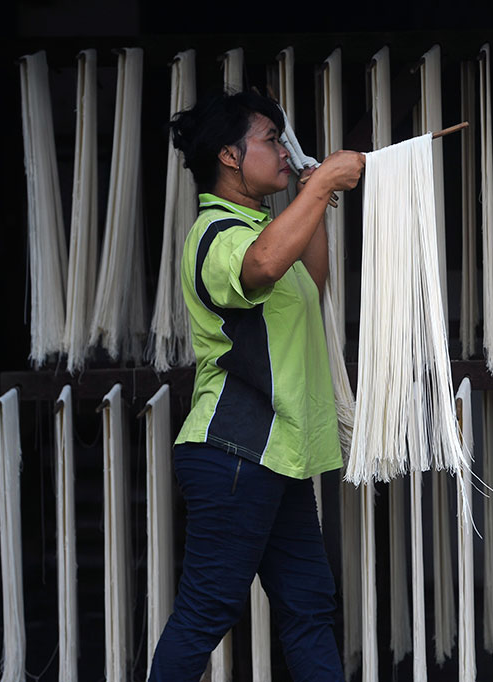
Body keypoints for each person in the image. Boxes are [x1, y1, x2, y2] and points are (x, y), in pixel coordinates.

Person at [149, 90, 364, 681]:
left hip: (277, 454)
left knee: (308, 607)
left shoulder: (261, 227)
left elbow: (308, 280)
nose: (281, 150)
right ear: (229, 155)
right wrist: (319, 189)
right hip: (236, 451)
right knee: (206, 611)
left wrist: (311, 195)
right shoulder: (217, 233)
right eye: (270, 139)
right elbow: (263, 267)